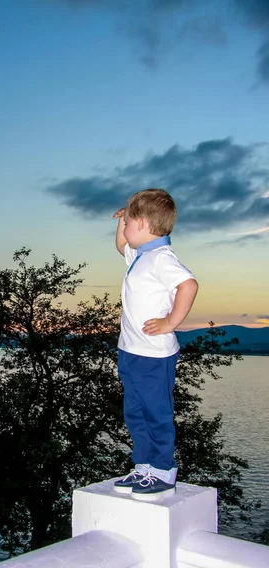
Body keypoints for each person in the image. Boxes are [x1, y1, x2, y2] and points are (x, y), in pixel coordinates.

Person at [113, 188, 198, 501]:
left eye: (130, 222)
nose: (125, 229)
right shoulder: (142, 256)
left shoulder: (162, 258)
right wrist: (122, 219)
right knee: (135, 412)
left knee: (156, 412)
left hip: (153, 355)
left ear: (145, 225)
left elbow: (189, 285)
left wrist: (170, 322)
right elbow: (121, 244)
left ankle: (163, 471)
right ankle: (143, 466)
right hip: (131, 351)